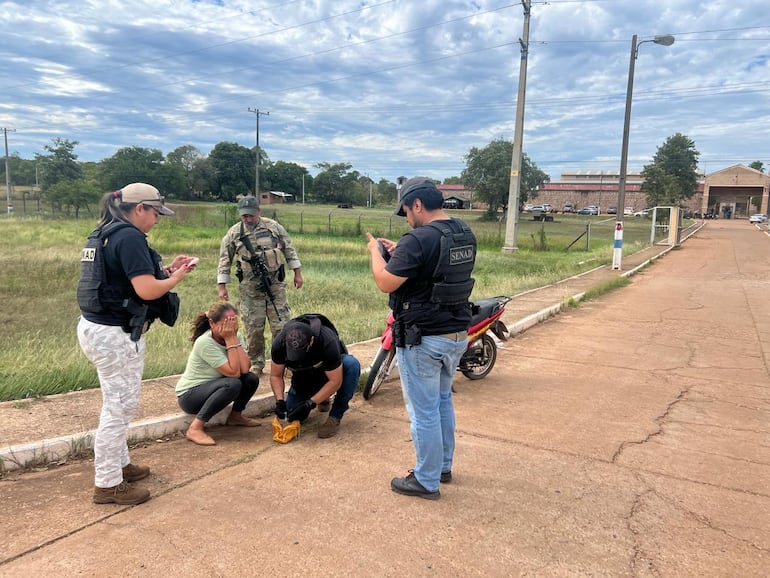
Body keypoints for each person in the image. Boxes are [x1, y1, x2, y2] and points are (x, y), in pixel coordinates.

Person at [77, 183, 195, 506]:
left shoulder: (106, 232)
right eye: (155, 212)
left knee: (116, 401)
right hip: (115, 336)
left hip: (96, 328)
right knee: (119, 408)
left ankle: (120, 465)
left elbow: (125, 282)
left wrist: (167, 270)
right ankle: (108, 483)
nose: (157, 219)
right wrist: (175, 279)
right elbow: (146, 290)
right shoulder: (129, 237)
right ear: (139, 208)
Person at [366, 177, 477, 500]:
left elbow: (386, 282)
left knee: (423, 411)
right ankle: (442, 466)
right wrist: (401, 251)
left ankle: (426, 480)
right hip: (455, 334)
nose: (407, 219)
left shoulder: (418, 239)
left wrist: (376, 252)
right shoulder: (462, 233)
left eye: (406, 211)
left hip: (422, 338)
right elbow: (436, 267)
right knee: (442, 402)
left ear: (417, 204)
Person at [217, 196, 303, 374]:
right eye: (244, 216)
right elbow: (225, 258)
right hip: (250, 289)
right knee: (253, 327)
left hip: (275, 285)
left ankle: (284, 362)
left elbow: (289, 249)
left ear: (258, 212)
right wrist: (222, 286)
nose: (248, 219)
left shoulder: (273, 227)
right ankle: (256, 363)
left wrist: (297, 273)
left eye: (250, 215)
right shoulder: (234, 232)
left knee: (281, 324)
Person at [176, 301, 261, 446]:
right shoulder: (205, 342)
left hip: (215, 387)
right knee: (232, 384)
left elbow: (245, 369)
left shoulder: (235, 335)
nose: (230, 328)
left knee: (251, 379)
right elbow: (234, 373)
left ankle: (235, 417)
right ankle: (195, 428)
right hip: (191, 396)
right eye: (225, 324)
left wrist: (232, 338)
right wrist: (230, 339)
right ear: (212, 323)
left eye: (233, 323)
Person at [270, 314, 361, 439]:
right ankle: (321, 397)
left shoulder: (327, 341)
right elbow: (276, 375)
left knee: (352, 365)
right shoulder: (279, 344)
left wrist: (310, 403)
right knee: (291, 415)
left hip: (329, 372)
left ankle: (335, 416)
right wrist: (279, 401)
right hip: (303, 376)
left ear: (311, 341)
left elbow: (335, 381)